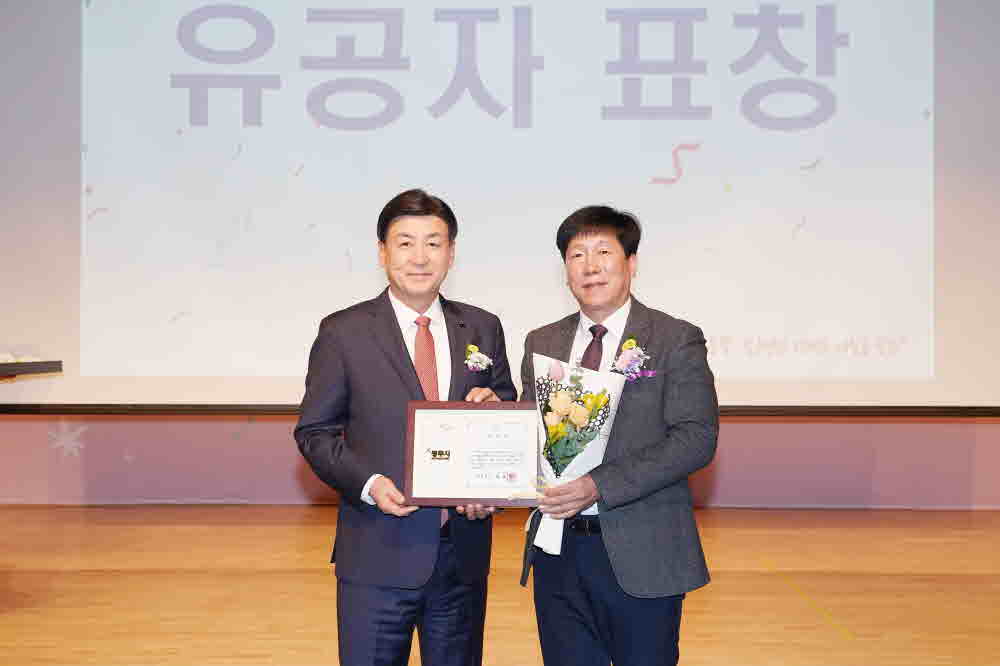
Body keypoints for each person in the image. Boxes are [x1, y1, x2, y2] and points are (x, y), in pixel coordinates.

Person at [295, 188, 516, 666]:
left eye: (433, 243)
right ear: (382, 252)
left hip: (462, 557)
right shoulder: (343, 332)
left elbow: (507, 415)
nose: (420, 257)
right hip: (376, 553)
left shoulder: (482, 327)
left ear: (451, 253)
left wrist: (494, 439)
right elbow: (314, 433)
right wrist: (370, 483)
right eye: (405, 243)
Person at [519, 205, 719, 666]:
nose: (590, 266)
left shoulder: (674, 338)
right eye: (577, 255)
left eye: (603, 252)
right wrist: (491, 422)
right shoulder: (541, 341)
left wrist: (598, 485)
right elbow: (530, 431)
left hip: (642, 550)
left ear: (631, 262)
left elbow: (696, 437)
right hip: (558, 552)